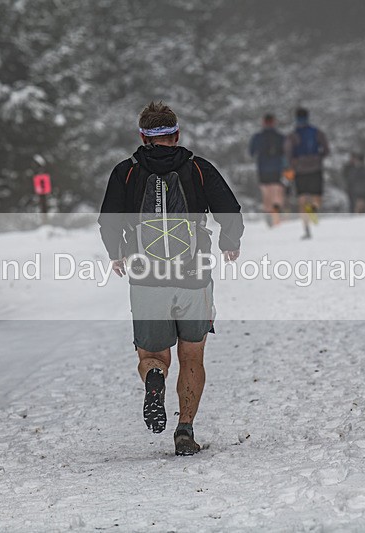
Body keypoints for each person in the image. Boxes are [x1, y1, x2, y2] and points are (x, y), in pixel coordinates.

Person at [98, 101, 244, 456]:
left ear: (143, 137)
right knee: (192, 355)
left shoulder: (126, 172)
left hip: (146, 276)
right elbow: (230, 211)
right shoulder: (197, 168)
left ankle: (154, 377)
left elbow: (108, 220)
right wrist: (229, 242)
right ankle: (185, 430)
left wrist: (116, 253)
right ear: (176, 135)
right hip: (193, 275)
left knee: (153, 354)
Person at [284, 107, 330, 239]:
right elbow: (326, 150)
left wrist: (293, 165)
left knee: (302, 199)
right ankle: (313, 209)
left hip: (300, 170)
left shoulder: (292, 136)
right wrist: (318, 158)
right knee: (317, 197)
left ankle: (306, 229)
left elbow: (288, 153)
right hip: (315, 168)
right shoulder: (317, 132)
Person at [249, 114, 286, 226]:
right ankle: (276, 215)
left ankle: (268, 214)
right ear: (274, 122)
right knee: (276, 191)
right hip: (276, 168)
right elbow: (286, 152)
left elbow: (251, 152)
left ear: (263, 122)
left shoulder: (257, 137)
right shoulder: (280, 137)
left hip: (263, 168)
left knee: (266, 193)